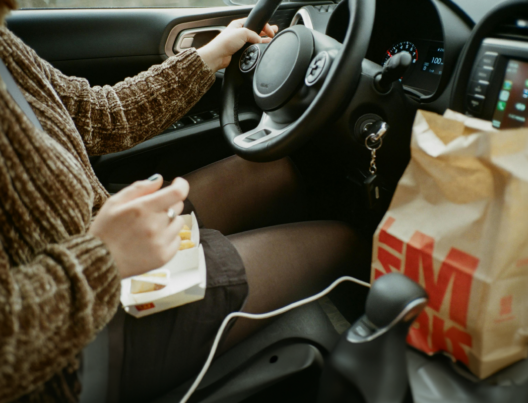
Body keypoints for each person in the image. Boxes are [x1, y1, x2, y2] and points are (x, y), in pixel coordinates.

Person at [0, 0, 370, 402]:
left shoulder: (4, 47)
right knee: (346, 239)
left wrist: (208, 57)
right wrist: (103, 257)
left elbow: (95, 115)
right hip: (74, 348)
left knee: (279, 171)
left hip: (90, 234)